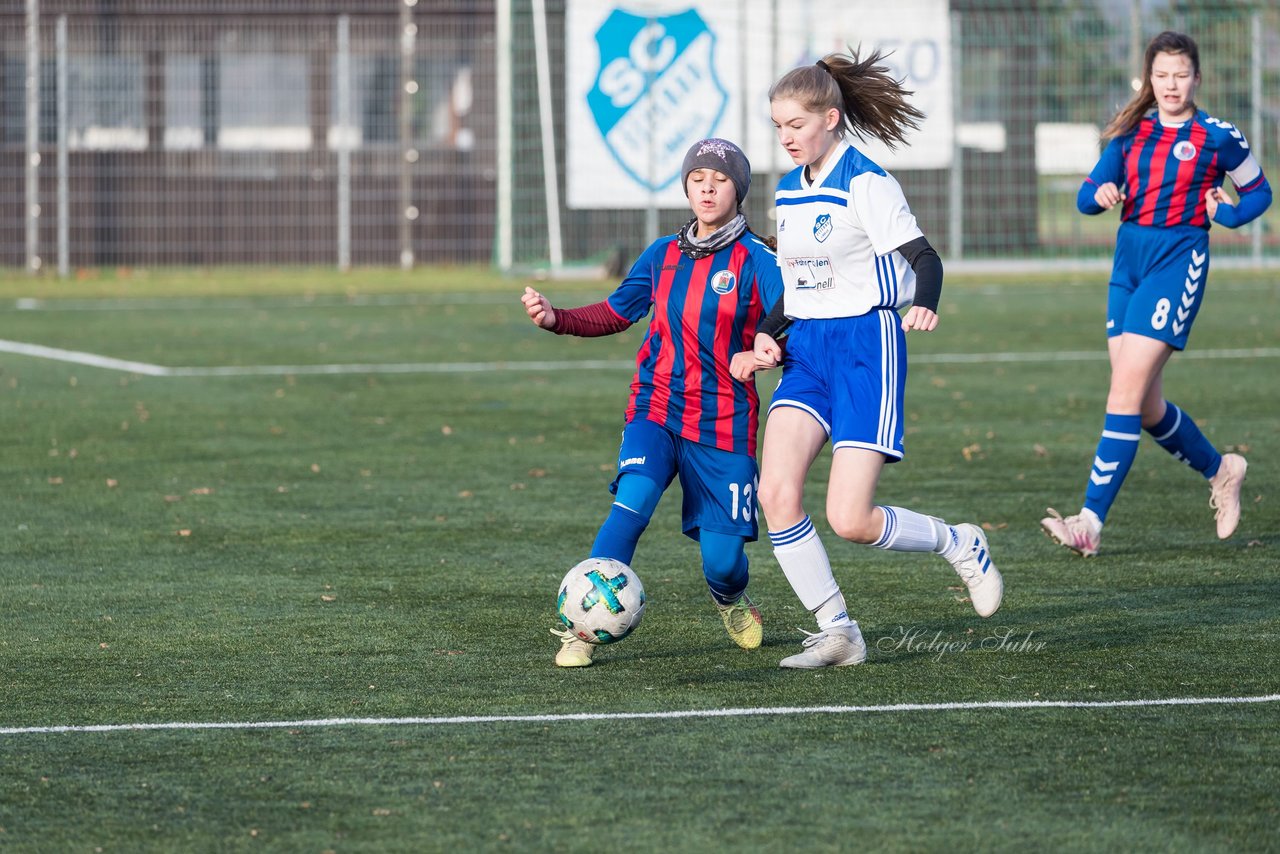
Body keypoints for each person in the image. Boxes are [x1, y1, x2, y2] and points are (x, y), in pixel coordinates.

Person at [729, 49, 1003, 670]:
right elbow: (800, 290)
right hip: (808, 352)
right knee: (775, 492)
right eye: (777, 126)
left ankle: (959, 543)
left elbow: (924, 258)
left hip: (866, 347)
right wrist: (767, 337)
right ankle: (839, 630)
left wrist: (925, 305)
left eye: (794, 125)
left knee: (849, 518)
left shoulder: (866, 182)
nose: (785, 137)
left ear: (829, 118)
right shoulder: (789, 192)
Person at [523, 138, 784, 667]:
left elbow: (791, 325)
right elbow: (617, 312)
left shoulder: (759, 260)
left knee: (724, 561)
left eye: (720, 179)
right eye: (697, 179)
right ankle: (583, 626)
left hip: (723, 423)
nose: (707, 189)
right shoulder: (662, 255)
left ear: (739, 190)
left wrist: (768, 351)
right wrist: (557, 319)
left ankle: (730, 599)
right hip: (656, 408)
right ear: (686, 186)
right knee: (631, 504)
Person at [1040, 31, 1270, 557]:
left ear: (1197, 78)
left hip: (1178, 263)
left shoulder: (1217, 136)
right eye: (1161, 75)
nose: (1171, 84)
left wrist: (1229, 215)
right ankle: (1222, 469)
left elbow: (1259, 190)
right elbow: (1084, 196)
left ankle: (1088, 524)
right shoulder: (1130, 132)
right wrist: (1098, 196)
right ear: (1149, 78)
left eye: (1181, 74)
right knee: (1143, 406)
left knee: (1122, 392)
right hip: (1128, 266)